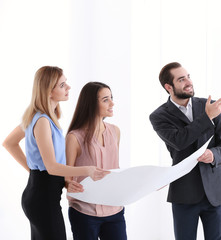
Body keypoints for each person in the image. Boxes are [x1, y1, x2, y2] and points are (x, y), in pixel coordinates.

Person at [2, 66, 110, 240]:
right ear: (49, 91)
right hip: (42, 198)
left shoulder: (39, 117)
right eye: (62, 85)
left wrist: (35, 171)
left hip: (41, 193)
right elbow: (51, 167)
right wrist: (88, 170)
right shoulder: (42, 120)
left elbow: (9, 143)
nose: (68, 88)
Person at [149, 62, 221, 240]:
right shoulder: (159, 116)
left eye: (188, 76)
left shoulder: (208, 105)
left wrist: (214, 155)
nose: (188, 82)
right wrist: (207, 117)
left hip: (216, 191)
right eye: (181, 79)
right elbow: (179, 140)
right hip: (184, 194)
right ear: (168, 87)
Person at [66, 81, 127, 240]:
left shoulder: (115, 132)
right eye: (105, 99)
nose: (112, 103)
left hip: (114, 210)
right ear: (91, 104)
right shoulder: (74, 137)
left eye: (111, 98)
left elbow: (115, 168)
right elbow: (67, 174)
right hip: (84, 212)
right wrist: (67, 183)